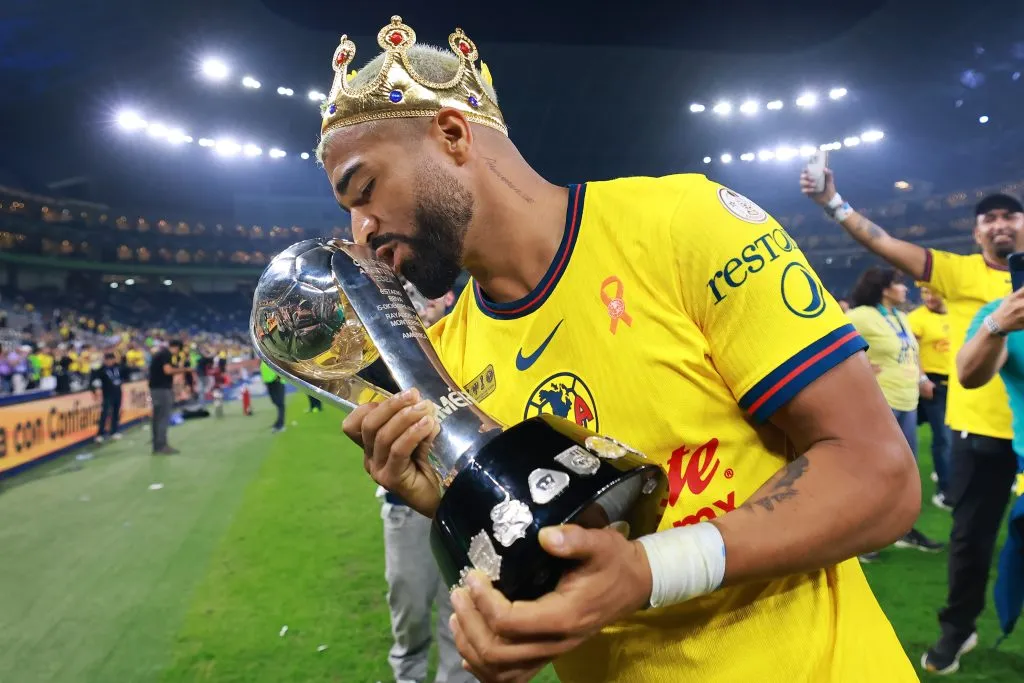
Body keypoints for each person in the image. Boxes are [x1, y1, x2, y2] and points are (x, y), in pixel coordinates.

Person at [328, 17, 919, 682]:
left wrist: (646, 572)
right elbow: (565, 561)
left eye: (365, 188)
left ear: (453, 135)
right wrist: (452, 516)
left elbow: (881, 477)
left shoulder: (685, 225)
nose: (362, 229)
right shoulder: (445, 361)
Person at [801, 168, 1021, 673]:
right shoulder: (958, 272)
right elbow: (884, 243)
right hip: (978, 428)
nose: (999, 224)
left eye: (1010, 214)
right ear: (976, 233)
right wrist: (833, 204)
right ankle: (957, 629)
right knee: (971, 538)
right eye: (988, 218)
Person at [845, 267, 943, 560]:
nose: (905, 289)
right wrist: (858, 368)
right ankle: (862, 539)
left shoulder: (900, 316)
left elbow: (911, 352)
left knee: (904, 474)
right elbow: (829, 342)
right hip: (879, 403)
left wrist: (922, 379)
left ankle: (902, 530)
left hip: (907, 400)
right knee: (876, 474)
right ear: (884, 288)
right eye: (899, 284)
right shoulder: (860, 315)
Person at [908, 284, 953, 509]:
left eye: (932, 292)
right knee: (943, 437)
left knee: (955, 437)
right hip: (934, 384)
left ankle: (949, 477)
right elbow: (911, 350)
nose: (929, 297)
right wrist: (922, 378)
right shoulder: (917, 318)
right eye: (925, 293)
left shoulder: (955, 313)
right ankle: (945, 490)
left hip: (957, 381)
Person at [149, 339, 189, 454]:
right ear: (176, 347)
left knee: (157, 418)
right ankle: (162, 446)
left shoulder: (160, 354)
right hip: (162, 389)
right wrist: (184, 370)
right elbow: (168, 371)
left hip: (155, 389)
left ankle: (157, 445)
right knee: (163, 417)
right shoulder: (166, 354)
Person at [91, 351, 124, 443]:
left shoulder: (118, 367)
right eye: (107, 360)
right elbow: (94, 379)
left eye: (111, 359)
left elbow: (123, 375)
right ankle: (100, 434)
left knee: (116, 413)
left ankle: (114, 431)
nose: (109, 361)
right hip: (107, 394)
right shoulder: (101, 369)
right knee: (104, 414)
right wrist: (95, 389)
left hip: (118, 392)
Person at [260, 360, 286, 433]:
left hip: (277, 381)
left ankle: (281, 424)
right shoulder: (264, 356)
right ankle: (278, 422)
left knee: (280, 403)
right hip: (269, 382)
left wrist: (277, 377)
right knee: (275, 402)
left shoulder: (273, 356)